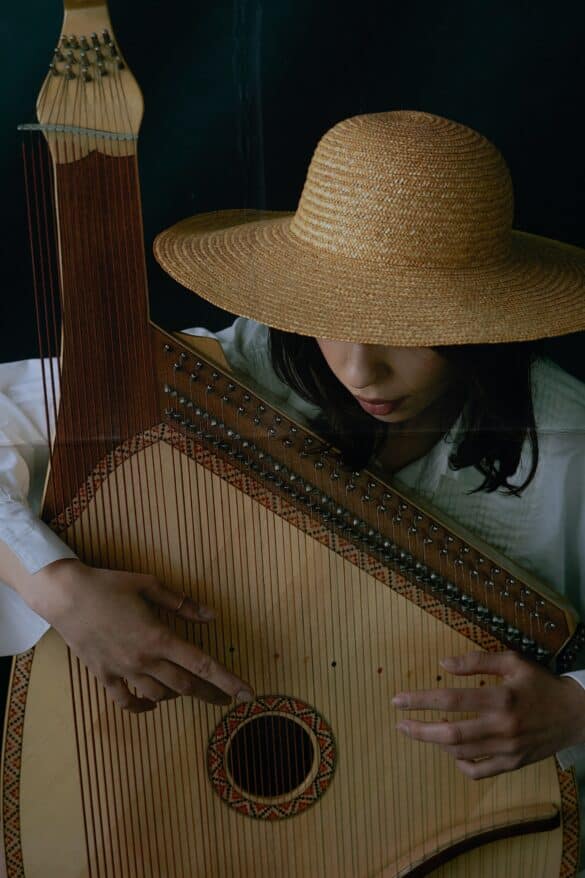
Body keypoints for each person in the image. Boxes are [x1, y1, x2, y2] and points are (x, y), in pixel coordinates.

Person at [2, 110, 585, 803]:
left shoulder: (565, 439)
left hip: (449, 816)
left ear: (484, 325)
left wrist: (574, 707)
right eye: (333, 318)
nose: (361, 370)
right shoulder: (231, 372)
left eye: (404, 331)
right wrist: (61, 590)